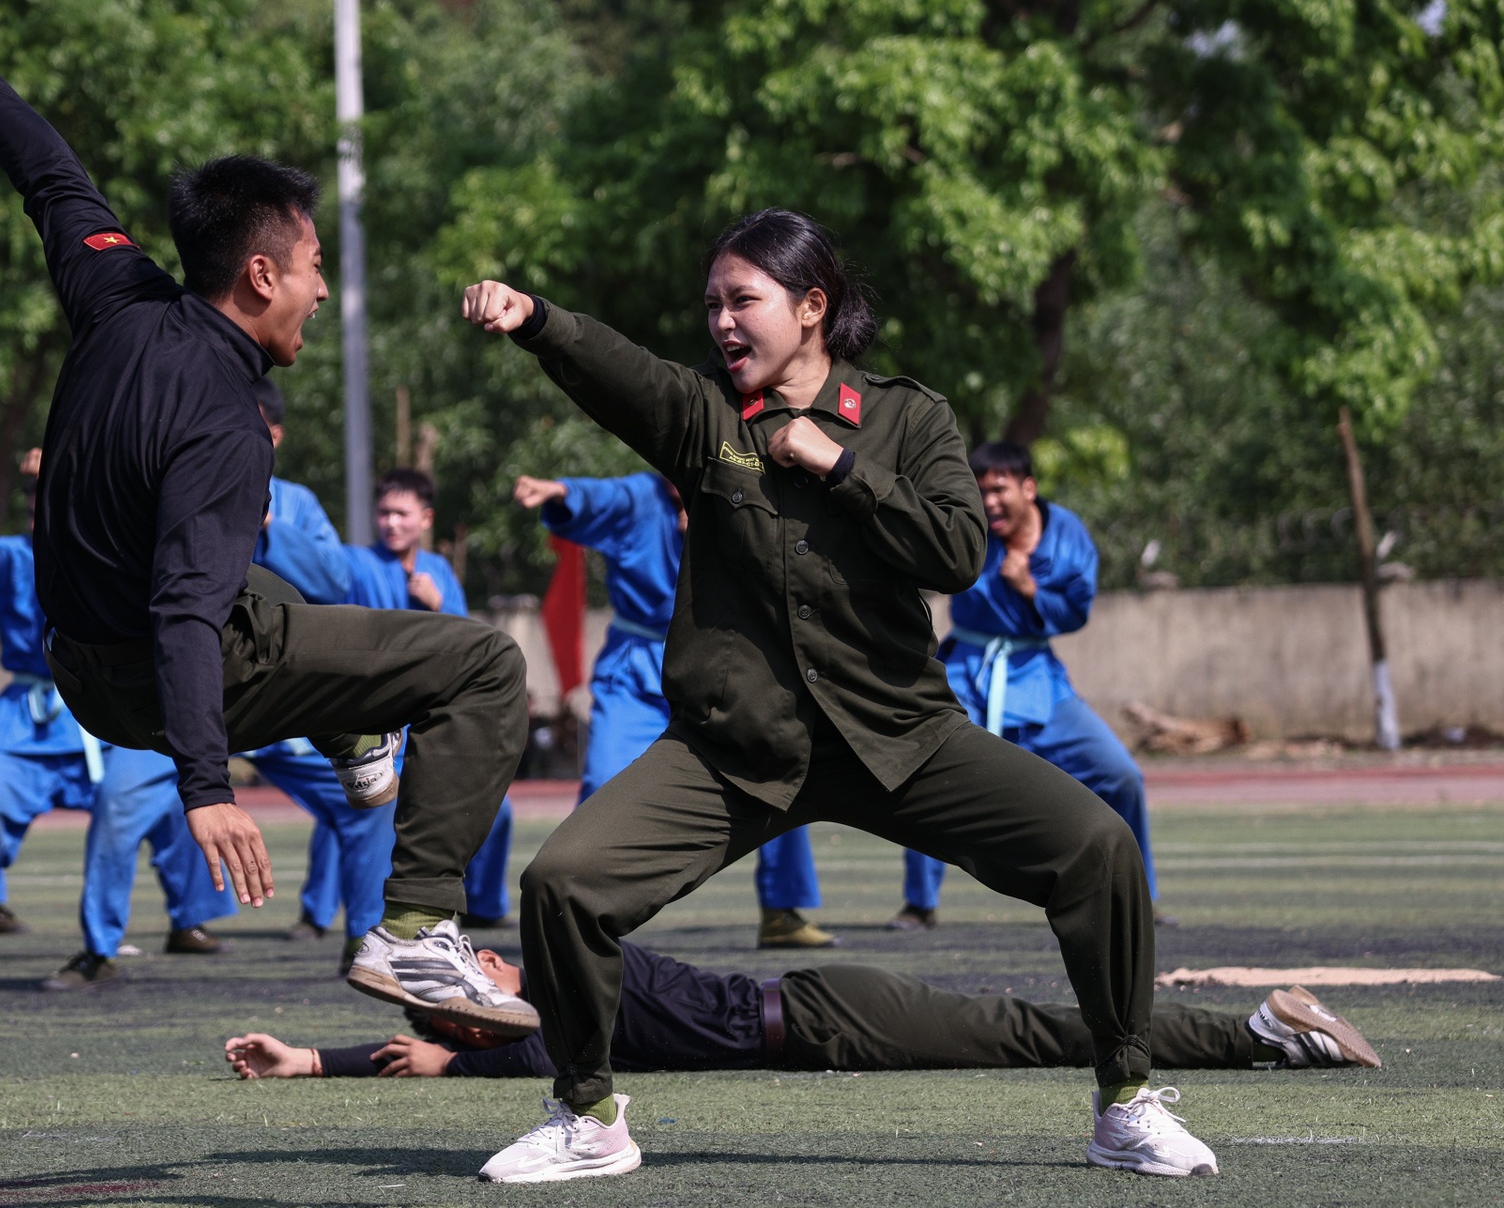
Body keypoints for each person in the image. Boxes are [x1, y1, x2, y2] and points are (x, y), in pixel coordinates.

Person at [460, 208, 1209, 1181]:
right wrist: (535, 319)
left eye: (744, 301)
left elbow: (955, 553)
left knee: (1098, 848)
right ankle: (589, 1115)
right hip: (739, 752)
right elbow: (624, 374)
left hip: (899, 737)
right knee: (561, 887)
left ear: (811, 307)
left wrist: (840, 466)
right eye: (712, 305)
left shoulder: (909, 418)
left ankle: (1124, 1102)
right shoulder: (706, 421)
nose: (722, 323)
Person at [0, 0, 536, 1037]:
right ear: (263, 272)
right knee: (484, 667)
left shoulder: (118, 295)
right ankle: (414, 928)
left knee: (282, 598)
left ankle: (355, 716)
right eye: (317, 267)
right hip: (160, 676)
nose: (323, 290)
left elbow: (48, 174)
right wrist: (206, 787)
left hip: (80, 661)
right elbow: (187, 614)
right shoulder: (230, 430)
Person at [0, 448, 237, 989]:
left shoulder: (126, 550)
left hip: (121, 712)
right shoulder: (15, 559)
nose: (49, 518)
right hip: (32, 721)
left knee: (158, 806)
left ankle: (156, 931)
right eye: (41, 509)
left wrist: (75, 464)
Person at [226, 939, 1382, 1081]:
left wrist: (450, 1058)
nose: (467, 1019)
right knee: (1037, 1031)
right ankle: (1260, 1034)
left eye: (468, 999)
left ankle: (1258, 1031)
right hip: (825, 1027)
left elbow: (534, 1052)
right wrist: (312, 1062)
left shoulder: (574, 977)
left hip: (834, 1017)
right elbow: (500, 1043)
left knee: (1041, 1033)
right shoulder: (552, 1001)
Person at [514, 471, 834, 950]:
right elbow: (602, 494)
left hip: (724, 667)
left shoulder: (742, 484)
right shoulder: (638, 495)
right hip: (637, 672)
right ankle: (571, 913)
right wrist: (562, 492)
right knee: (602, 782)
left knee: (778, 775)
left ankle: (781, 910)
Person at [894, 441, 1167, 931]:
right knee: (925, 770)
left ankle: (1138, 895)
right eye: (980, 492)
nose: (989, 502)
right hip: (965, 672)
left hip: (1037, 675)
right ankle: (919, 903)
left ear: (1028, 487)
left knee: (1121, 775)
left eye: (998, 490)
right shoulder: (967, 525)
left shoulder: (1065, 533)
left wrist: (1030, 588)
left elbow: (1076, 610)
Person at [235, 380, 393, 970]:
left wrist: (272, 529)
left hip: (279, 691)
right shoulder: (187, 479)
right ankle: (111, 945)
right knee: (131, 801)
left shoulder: (295, 504)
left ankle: (367, 943)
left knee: (367, 803)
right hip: (197, 684)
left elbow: (330, 578)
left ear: (273, 435)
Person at [341, 468, 512, 931]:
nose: (391, 522)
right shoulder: (355, 563)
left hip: (433, 719)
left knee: (499, 808)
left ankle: (486, 905)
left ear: (425, 518)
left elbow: (470, 645)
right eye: (383, 512)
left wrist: (439, 606)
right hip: (376, 719)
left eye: (402, 513)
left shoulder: (438, 572)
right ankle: (343, 922)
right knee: (365, 810)